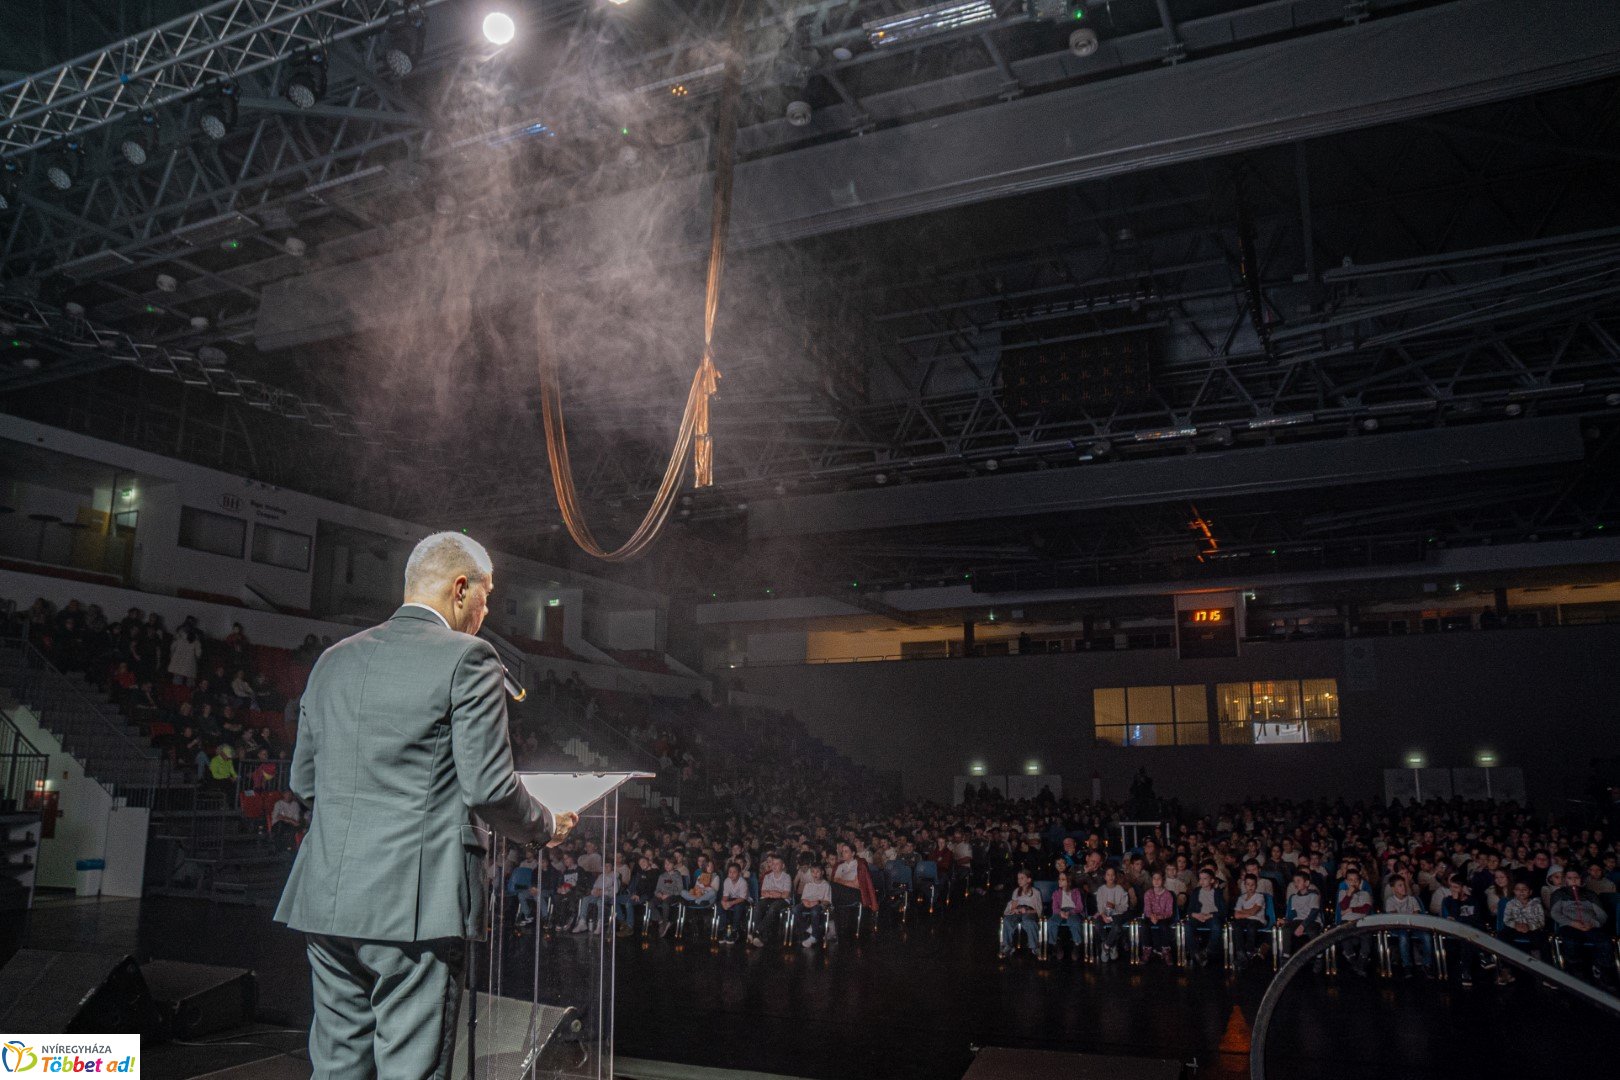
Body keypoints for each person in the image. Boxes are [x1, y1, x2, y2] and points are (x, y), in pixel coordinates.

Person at [274, 532, 577, 1080]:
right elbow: (488, 788)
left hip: (327, 897)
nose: (486, 614)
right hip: (414, 906)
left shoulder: (333, 660)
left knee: (338, 1068)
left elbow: (304, 781)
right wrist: (546, 825)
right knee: (409, 1071)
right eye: (487, 599)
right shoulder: (469, 658)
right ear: (461, 589)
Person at [1549, 866, 1615, 986]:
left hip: (1591, 925)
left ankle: (1604, 972)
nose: (1573, 880)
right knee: (1571, 941)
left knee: (1605, 941)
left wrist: (1592, 923)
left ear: (1582, 879)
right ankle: (1578, 973)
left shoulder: (1590, 894)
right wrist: (1572, 923)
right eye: (1570, 878)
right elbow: (1555, 913)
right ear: (1565, 880)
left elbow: (1602, 914)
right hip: (1570, 925)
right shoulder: (1559, 894)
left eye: (1576, 878)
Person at [1383, 875, 1431, 978]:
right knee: (1403, 936)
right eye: (1400, 885)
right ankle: (1407, 965)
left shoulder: (1412, 899)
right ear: (1393, 888)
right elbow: (1395, 918)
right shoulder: (1390, 901)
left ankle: (1427, 964)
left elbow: (1416, 914)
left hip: (1413, 926)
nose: (1403, 887)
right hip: (1399, 928)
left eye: (1404, 885)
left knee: (1426, 936)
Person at [1336, 867, 1375, 976]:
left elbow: (1366, 908)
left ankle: (1361, 961)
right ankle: (1354, 961)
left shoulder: (1365, 894)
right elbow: (1342, 906)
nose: (1353, 882)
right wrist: (1349, 895)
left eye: (1356, 880)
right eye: (1350, 880)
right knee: (1344, 934)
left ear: (1359, 882)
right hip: (1347, 921)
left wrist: (1351, 909)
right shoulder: (1343, 892)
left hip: (1362, 920)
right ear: (1346, 881)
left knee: (1366, 936)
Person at [1187, 868, 1227, 967]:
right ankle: (1196, 952)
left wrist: (1210, 915)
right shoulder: (1196, 892)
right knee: (1187, 926)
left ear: (1212, 880)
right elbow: (1189, 910)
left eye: (1205, 879)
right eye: (1200, 879)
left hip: (1211, 916)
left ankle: (1207, 951)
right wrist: (1196, 915)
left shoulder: (1217, 892)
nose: (1202, 881)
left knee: (1217, 926)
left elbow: (1223, 911)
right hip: (1198, 916)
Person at [752, 855, 793, 947]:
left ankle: (757, 932)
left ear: (782, 866)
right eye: (773, 864)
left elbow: (785, 895)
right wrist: (775, 893)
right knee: (758, 906)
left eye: (777, 864)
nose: (774, 866)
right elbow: (763, 892)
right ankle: (759, 936)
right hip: (769, 898)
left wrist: (774, 893)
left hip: (783, 901)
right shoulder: (767, 876)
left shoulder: (787, 877)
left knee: (773, 908)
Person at [1000, 870, 1042, 959]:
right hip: (1019, 910)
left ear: (1029, 880)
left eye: (1022, 878)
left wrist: (1027, 911)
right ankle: (1008, 945)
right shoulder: (1016, 891)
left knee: (1029, 921)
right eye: (1018, 878)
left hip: (1029, 911)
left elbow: (1038, 909)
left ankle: (1034, 946)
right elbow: (1013, 905)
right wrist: (1014, 910)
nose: (1019, 880)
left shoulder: (1035, 892)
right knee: (1007, 920)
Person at [1230, 874, 1269, 967]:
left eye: (1253, 885)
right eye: (1248, 884)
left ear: (1256, 885)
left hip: (1258, 920)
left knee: (1251, 925)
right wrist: (1247, 913)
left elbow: (1254, 911)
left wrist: (1242, 912)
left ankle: (1249, 951)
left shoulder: (1260, 897)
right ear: (1245, 885)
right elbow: (1236, 915)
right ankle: (1241, 954)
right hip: (1244, 920)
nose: (1250, 887)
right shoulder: (1241, 898)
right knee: (1236, 925)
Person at [1093, 866, 1131, 962]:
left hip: (1117, 914)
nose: (1110, 877)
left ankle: (1106, 946)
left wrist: (1114, 906)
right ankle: (1111, 944)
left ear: (1115, 877)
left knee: (1116, 927)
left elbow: (1124, 907)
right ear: (1105, 877)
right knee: (1097, 925)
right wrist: (1103, 915)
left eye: (1112, 875)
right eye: (1108, 875)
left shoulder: (1120, 889)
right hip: (1104, 913)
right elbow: (1100, 905)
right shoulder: (1101, 890)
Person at [1048, 870, 1087, 960]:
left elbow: (1080, 907)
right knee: (1051, 922)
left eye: (1063, 879)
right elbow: (1054, 908)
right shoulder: (1056, 893)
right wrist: (1060, 912)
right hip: (1060, 911)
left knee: (1074, 922)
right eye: (1059, 879)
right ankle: (1055, 944)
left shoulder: (1076, 892)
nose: (1059, 881)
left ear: (1069, 881)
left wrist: (1070, 912)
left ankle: (1077, 944)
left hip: (1073, 911)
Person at [1141, 870, 1176, 963]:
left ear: (1163, 880)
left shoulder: (1168, 894)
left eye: (1159, 879)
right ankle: (1147, 949)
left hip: (1163, 917)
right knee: (1144, 925)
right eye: (1154, 879)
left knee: (1164, 926)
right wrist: (1152, 916)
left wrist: (1159, 917)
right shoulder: (1148, 893)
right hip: (1150, 916)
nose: (1156, 881)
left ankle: (1165, 950)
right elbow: (1147, 909)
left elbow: (1169, 912)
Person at [797, 865, 832, 947]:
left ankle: (814, 936)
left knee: (814, 911)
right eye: (813, 872)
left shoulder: (826, 885)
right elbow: (803, 898)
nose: (815, 874)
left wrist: (817, 902)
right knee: (795, 910)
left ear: (822, 872)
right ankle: (809, 928)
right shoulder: (808, 884)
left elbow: (827, 901)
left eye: (817, 872)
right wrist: (805, 902)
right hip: (807, 903)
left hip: (818, 904)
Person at [716, 863, 751, 944]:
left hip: (742, 900)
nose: (731, 874)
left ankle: (735, 930)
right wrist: (724, 902)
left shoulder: (743, 882)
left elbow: (742, 898)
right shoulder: (727, 881)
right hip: (731, 899)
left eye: (734, 872)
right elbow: (725, 895)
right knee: (720, 906)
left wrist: (730, 903)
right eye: (730, 872)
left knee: (738, 907)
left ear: (739, 873)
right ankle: (722, 930)